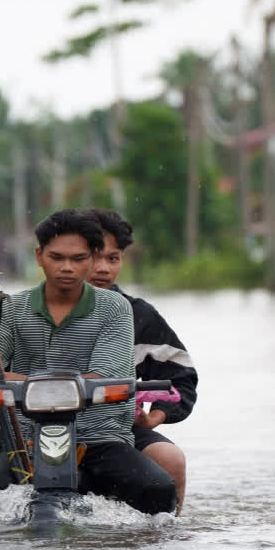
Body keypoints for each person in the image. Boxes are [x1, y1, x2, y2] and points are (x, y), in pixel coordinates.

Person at [0, 209, 176, 516]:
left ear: (91, 258)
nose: (67, 267)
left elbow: (101, 374)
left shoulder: (115, 308)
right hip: (27, 438)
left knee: (158, 490)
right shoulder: (13, 308)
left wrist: (12, 379)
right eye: (57, 257)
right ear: (39, 256)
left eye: (78, 259)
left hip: (99, 436)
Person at [84, 208, 198, 515]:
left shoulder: (138, 315)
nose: (103, 268)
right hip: (38, 429)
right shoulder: (30, 310)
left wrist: (154, 417)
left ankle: (163, 548)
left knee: (171, 459)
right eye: (94, 256)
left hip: (118, 429)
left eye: (113, 258)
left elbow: (181, 376)